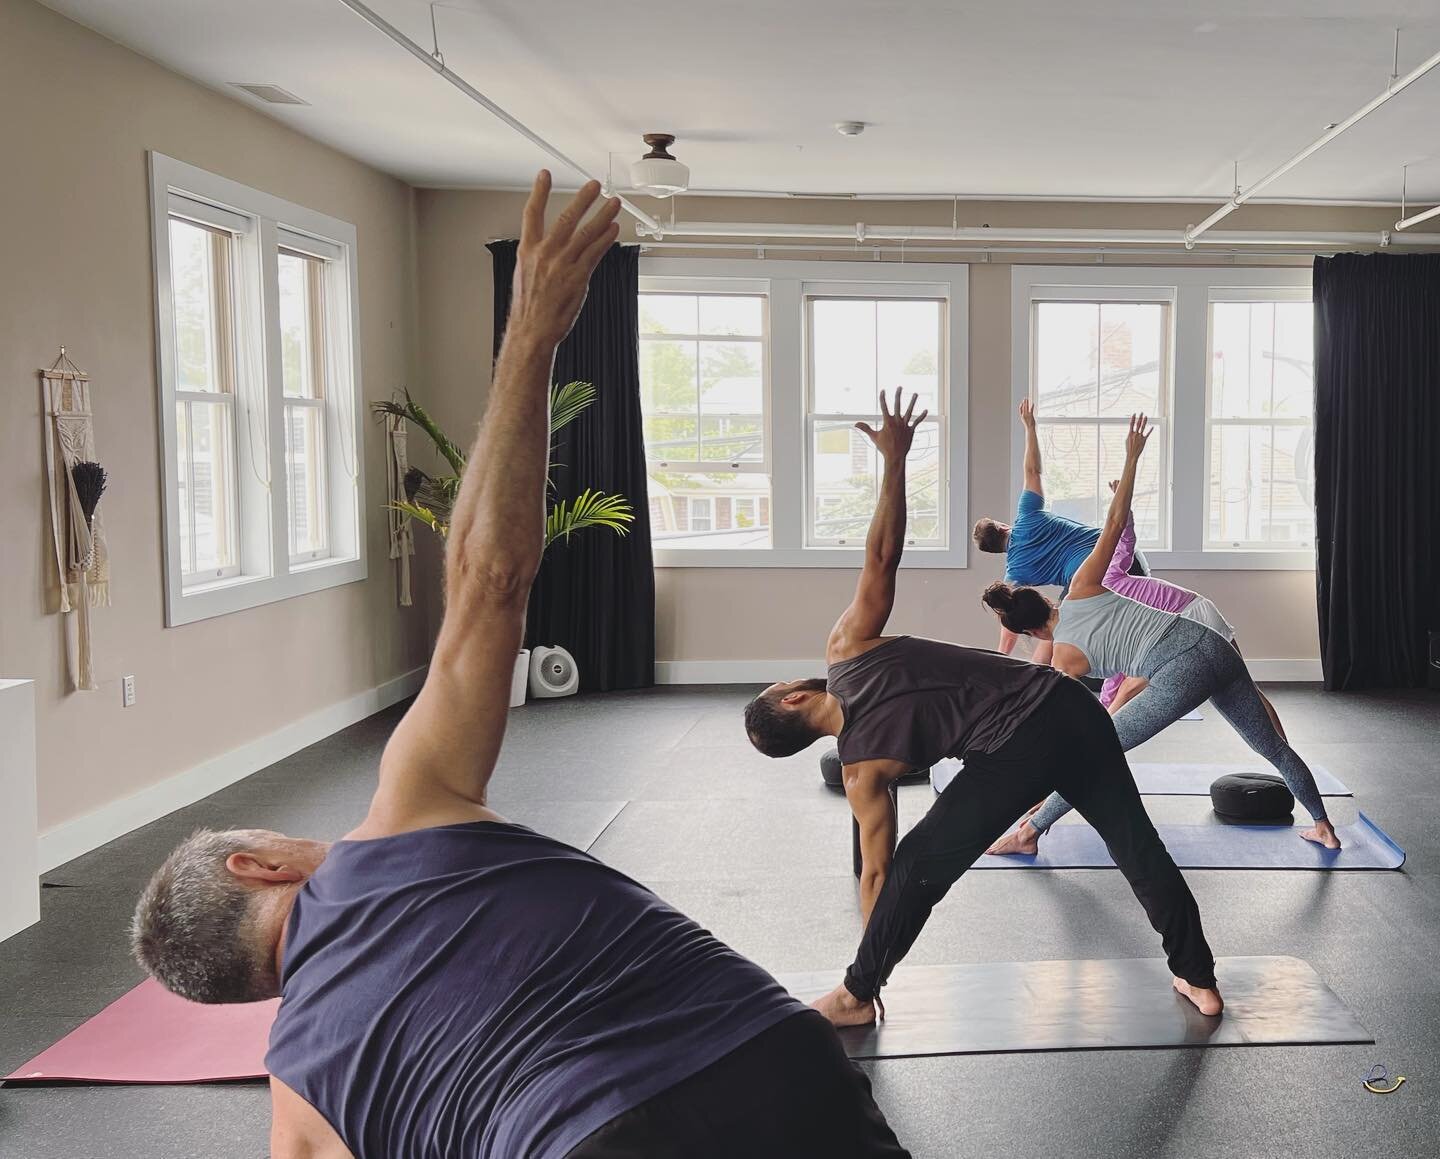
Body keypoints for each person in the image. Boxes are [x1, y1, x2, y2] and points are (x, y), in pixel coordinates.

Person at [129, 173, 910, 1159]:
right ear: (260, 864)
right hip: (770, 1058)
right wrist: (532, 336)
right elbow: (490, 580)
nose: (304, 835)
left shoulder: (298, 1101)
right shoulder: (408, 809)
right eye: (278, 833)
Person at [742, 389, 1223, 1029]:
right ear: (795, 697)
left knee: (921, 861)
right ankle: (1199, 978)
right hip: (1066, 704)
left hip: (1015, 748)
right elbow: (882, 556)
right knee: (1137, 847)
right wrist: (894, 461)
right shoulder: (848, 649)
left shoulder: (864, 773)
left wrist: (871, 963)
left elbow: (881, 875)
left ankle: (856, 998)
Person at [981, 415, 1340, 858]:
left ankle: (1029, 832)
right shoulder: (1084, 584)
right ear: (1045, 600)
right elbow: (1113, 526)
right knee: (1272, 746)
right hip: (1210, 641)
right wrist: (1132, 459)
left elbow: (1059, 722)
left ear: (1031, 631)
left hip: (1178, 669)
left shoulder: (1062, 660)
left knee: (1094, 753)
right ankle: (1323, 825)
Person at [1093, 483, 1286, 739]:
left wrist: (1124, 507)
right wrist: (1105, 706)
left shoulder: (1106, 581)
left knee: (1245, 693)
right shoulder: (1102, 617)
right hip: (1185, 619)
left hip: (1192, 615)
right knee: (1243, 693)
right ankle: (1099, 742)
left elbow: (1124, 538)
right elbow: (1113, 675)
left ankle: (1098, 742)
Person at [973, 398, 1151, 660]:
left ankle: (1035, 677)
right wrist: (1029, 427)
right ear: (1002, 526)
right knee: (1057, 615)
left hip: (1102, 581)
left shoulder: (1016, 571)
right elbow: (1033, 470)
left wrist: (1002, 654)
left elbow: (1010, 613)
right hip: (1131, 559)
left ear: (994, 551)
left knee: (1052, 622)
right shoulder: (1028, 514)